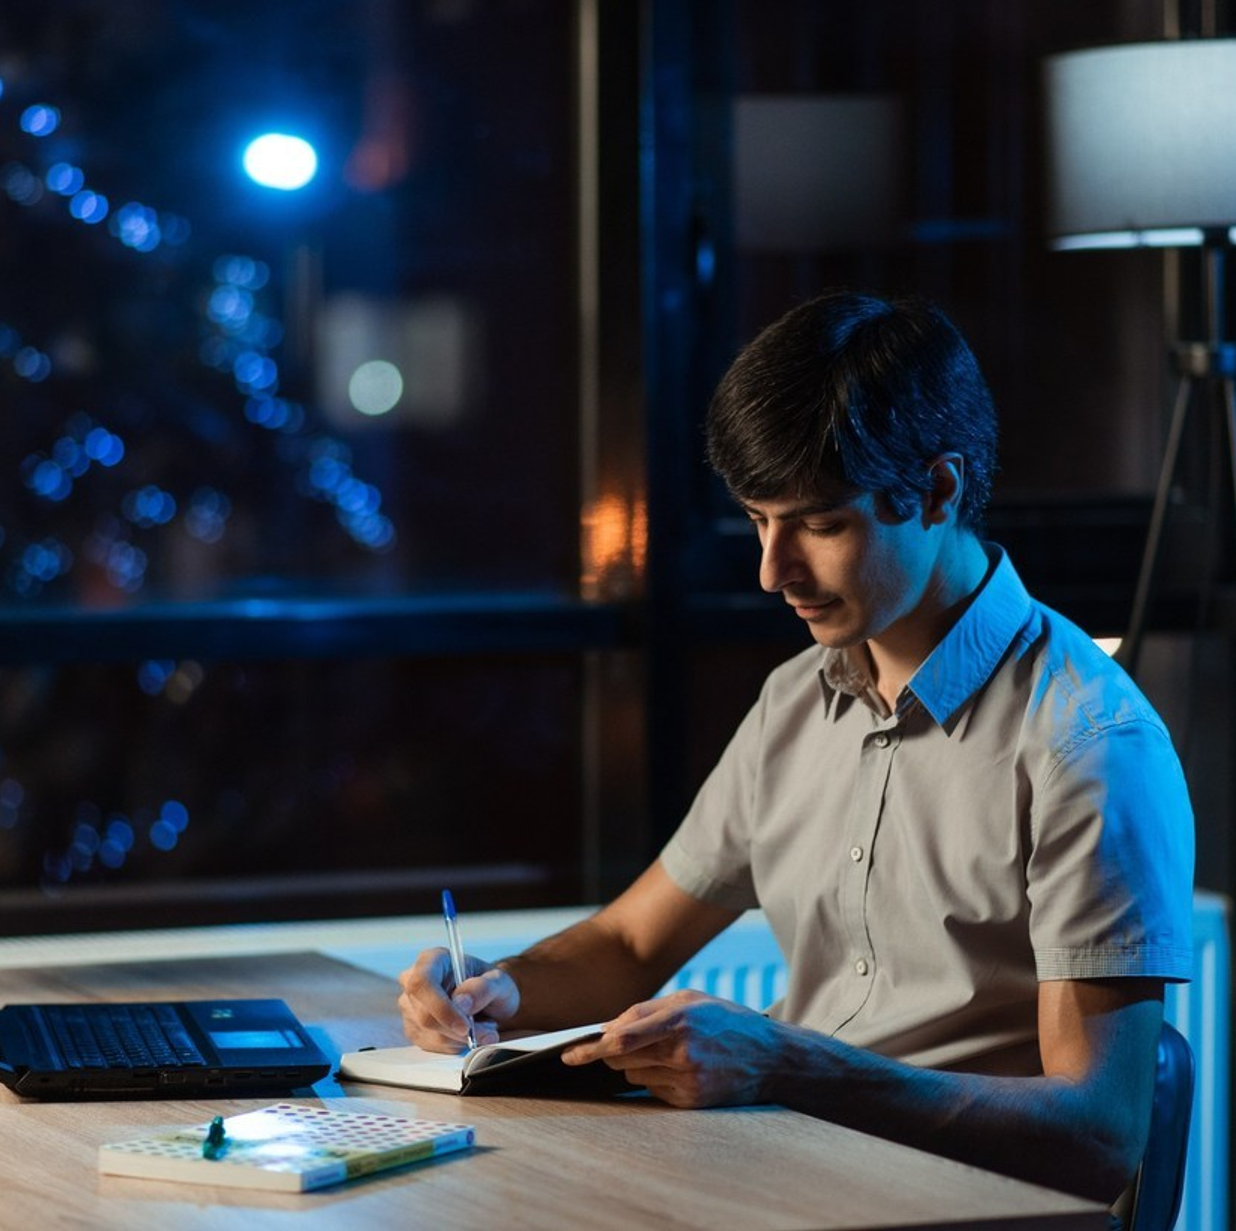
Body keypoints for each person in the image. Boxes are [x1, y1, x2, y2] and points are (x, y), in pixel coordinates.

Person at [398, 289, 1194, 1205]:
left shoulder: (1087, 745)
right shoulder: (795, 701)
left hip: (941, 1213)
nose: (773, 572)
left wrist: (792, 1067)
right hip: (775, 1179)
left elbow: (1098, 1136)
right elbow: (627, 942)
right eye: (757, 521)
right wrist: (493, 991)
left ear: (938, 489)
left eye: (819, 525)